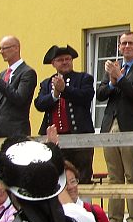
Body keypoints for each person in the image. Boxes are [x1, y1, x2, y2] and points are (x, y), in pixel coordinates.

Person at [97, 31, 133, 222]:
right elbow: (100, 94)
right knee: (114, 175)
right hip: (110, 124)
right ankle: (114, 219)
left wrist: (119, 77)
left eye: (131, 43)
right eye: (123, 44)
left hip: (131, 126)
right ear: (119, 47)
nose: (127, 47)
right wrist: (112, 81)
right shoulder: (113, 67)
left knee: (132, 174)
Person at [34, 45, 96, 183]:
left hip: (79, 137)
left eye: (68, 59)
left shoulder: (84, 78)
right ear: (53, 63)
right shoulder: (46, 83)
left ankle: (82, 205)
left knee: (83, 177)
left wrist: (65, 89)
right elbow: (39, 104)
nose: (65, 62)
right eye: (60, 59)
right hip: (56, 140)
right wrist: (55, 94)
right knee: (56, 176)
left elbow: (86, 96)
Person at [0, 36, 38, 137]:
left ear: (16, 48)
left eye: (4, 48)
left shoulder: (27, 72)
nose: (1, 52)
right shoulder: (3, 74)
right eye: (0, 49)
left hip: (17, 131)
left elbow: (19, 98)